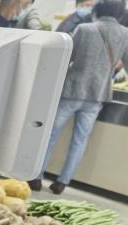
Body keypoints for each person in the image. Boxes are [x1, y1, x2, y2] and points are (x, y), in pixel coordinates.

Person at [31, 0, 128, 194]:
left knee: (50, 135)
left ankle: (36, 176)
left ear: (99, 8)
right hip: (97, 94)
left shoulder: (84, 29)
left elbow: (68, 58)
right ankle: (62, 182)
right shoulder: (125, 34)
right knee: (80, 140)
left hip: (73, 90)